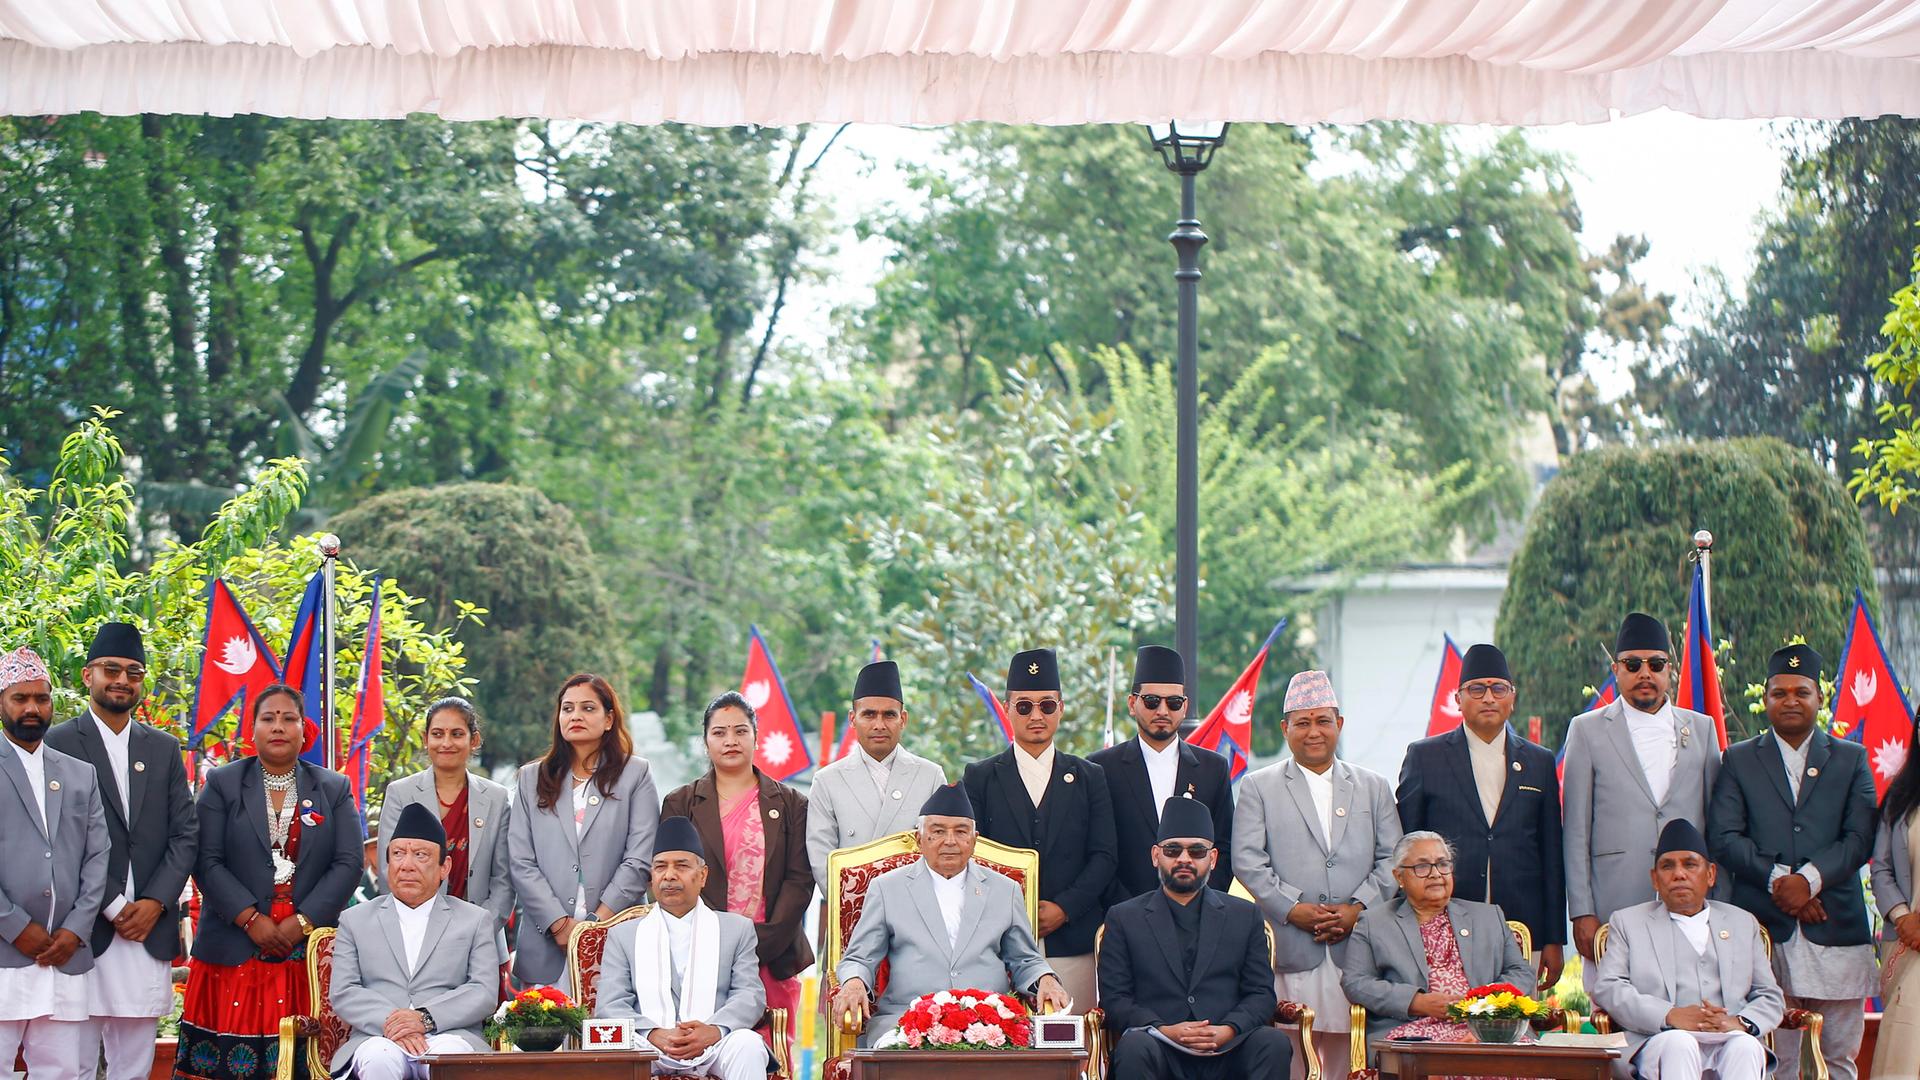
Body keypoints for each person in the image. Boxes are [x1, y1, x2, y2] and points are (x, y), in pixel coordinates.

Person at [1707, 643, 1877, 1080]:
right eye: (1779, 692)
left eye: (1800, 692)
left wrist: (1810, 881)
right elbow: (1724, 837)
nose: (1790, 701)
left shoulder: (1851, 758)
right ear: (1765, 699)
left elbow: (1860, 837)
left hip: (1836, 923)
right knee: (1771, 1060)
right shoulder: (1739, 759)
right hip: (1765, 928)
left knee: (1838, 1058)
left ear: (1819, 697)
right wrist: (1783, 882)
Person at [179, 683, 363, 1078]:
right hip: (233, 945)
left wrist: (302, 922)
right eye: (268, 718)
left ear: (303, 729)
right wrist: (249, 917)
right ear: (253, 729)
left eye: (288, 718)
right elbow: (206, 860)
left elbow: (349, 862)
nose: (278, 726)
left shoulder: (333, 788)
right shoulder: (222, 784)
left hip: (305, 952)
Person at [44, 623, 198, 1080]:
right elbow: (58, 838)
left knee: (134, 1061)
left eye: (133, 672)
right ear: (87, 674)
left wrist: (154, 902)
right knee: (74, 1059)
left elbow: (185, 833)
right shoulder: (58, 742)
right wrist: (114, 905)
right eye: (111, 669)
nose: (122, 680)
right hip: (86, 924)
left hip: (147, 927)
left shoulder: (164, 748)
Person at [1234, 669, 1400, 1077]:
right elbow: (1247, 860)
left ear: (1339, 725)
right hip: (1292, 941)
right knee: (1290, 1049)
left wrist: (1356, 908)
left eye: (1323, 721)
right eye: (1302, 722)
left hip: (1358, 940)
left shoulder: (1373, 786)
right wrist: (1294, 909)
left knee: (1351, 1052)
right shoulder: (1259, 786)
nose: (1314, 732)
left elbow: (1394, 858)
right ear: (1285, 728)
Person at [830, 784, 1071, 1045]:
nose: (950, 841)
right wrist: (853, 982)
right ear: (919, 838)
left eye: (960, 832)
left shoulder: (1005, 889)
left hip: (988, 1023)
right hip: (906, 1020)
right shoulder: (887, 888)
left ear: (974, 840)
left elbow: (1025, 959)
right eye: (938, 832)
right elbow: (860, 956)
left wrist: (1045, 979)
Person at [1396, 642, 1565, 991]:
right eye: (1477, 689)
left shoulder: (1538, 760)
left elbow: (1552, 854)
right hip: (1441, 917)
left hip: (1523, 922)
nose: (1489, 697)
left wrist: (1553, 938)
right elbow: (1405, 842)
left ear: (1512, 697)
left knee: (1514, 1026)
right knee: (1452, 1020)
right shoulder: (1426, 756)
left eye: (1498, 688)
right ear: (1458, 699)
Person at [963, 647, 1118, 1012]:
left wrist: (1065, 908)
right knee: (1002, 1048)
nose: (1036, 715)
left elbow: (1104, 855)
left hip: (1071, 940)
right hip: (998, 942)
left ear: (1061, 709)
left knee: (1069, 1044)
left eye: (1047, 706)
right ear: (1007, 709)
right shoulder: (981, 777)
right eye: (1024, 706)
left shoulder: (1088, 776)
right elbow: (975, 855)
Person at [1563, 612, 1723, 963]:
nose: (1645, 674)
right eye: (1633, 664)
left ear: (1670, 669)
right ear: (1616, 669)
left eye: (1656, 663)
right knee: (1616, 1009)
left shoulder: (1701, 729)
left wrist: (1720, 900)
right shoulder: (1587, 730)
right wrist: (1581, 910)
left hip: (1691, 901)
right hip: (1615, 901)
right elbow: (1575, 830)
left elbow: (1716, 825)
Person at [1097, 796, 1290, 1079]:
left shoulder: (1244, 914)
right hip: (1159, 1045)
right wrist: (1164, 1029)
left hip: (1228, 1048)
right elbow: (1115, 999)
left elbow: (1260, 993)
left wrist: (1228, 1030)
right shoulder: (1124, 917)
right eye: (1173, 850)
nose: (1184, 859)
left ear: (1212, 859)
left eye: (1197, 851)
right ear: (1155, 855)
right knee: (1134, 1045)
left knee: (1272, 1043)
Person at [660, 692, 813, 1047]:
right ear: (706, 741)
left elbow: (799, 880)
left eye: (740, 731)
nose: (730, 741)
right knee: (699, 1053)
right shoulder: (680, 803)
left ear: (756, 737)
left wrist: (760, 944)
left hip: (772, 953)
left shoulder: (791, 804)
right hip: (698, 955)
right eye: (719, 732)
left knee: (768, 1055)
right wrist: (715, 945)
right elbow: (670, 880)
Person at [1590, 819, 1783, 1080]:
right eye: (1667, 866)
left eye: (1690, 864)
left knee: (1746, 1045)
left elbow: (1769, 995)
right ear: (1655, 879)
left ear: (1711, 874)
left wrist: (1739, 1023)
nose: (1679, 874)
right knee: (1679, 1044)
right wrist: (1670, 1015)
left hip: (1726, 1037)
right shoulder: (1628, 922)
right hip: (1658, 1039)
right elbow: (1609, 986)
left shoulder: (1741, 922)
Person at [0, 646, 111, 1080]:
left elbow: (98, 857)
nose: (32, 708)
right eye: (20, 698)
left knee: (62, 1071)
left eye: (41, 698)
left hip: (65, 955)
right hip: (5, 952)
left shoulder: (79, 772)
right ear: (2, 702)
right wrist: (14, 926)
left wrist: (75, 929)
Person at [507, 672, 658, 987]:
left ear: (608, 719)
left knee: (615, 1033)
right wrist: (560, 925)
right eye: (567, 708)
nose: (575, 715)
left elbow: (639, 858)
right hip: (545, 942)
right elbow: (521, 861)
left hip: (617, 935)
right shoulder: (531, 779)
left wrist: (594, 927)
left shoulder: (635, 774)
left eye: (588, 708)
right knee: (546, 1031)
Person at [329, 803, 499, 1078]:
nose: (406, 865)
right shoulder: (355, 920)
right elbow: (344, 990)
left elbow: (483, 991)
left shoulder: (474, 919)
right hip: (379, 1035)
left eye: (420, 855)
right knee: (378, 1058)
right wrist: (395, 1023)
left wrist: (424, 1018)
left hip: (448, 1033)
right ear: (387, 864)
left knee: (449, 1058)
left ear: (445, 867)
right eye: (398, 854)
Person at [599, 817, 771, 1079]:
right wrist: (655, 1034)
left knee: (747, 1045)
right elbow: (610, 1004)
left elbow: (749, 995)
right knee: (614, 1053)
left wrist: (713, 1031)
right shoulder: (623, 935)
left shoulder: (737, 930)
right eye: (660, 867)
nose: (669, 875)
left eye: (681, 866)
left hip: (715, 1043)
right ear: (651, 877)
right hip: (648, 1045)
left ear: (702, 876)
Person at [1340, 832, 1537, 1061]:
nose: (1435, 874)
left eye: (1442, 864)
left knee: (1514, 1066)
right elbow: (1355, 982)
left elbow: (1521, 972)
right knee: (1452, 1066)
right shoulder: (1374, 922)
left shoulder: (1489, 916)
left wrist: (1486, 1009)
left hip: (1489, 1031)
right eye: (1422, 867)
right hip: (1414, 1033)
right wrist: (1416, 1002)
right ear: (1399, 877)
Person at [1089, 645, 1234, 903]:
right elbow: (1097, 852)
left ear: (1185, 706)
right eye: (1152, 701)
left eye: (1174, 702)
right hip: (1121, 919)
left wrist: (1199, 906)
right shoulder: (1101, 768)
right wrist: (1128, 913)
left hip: (1198, 917)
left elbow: (1224, 849)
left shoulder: (1213, 768)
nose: (1163, 711)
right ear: (1133, 704)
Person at [376, 697, 512, 950]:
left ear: (474, 740)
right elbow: (389, 871)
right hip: (412, 939)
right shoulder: (401, 793)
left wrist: (476, 932)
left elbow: (503, 880)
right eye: (438, 734)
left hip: (481, 940)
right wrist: (418, 928)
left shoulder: (496, 797)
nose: (446, 743)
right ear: (425, 738)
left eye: (457, 734)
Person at [805, 660, 946, 891]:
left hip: (917, 914)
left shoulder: (930, 776)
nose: (879, 724)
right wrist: (858, 907)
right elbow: (823, 863)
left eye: (889, 715)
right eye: (869, 714)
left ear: (903, 719)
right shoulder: (827, 781)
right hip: (851, 915)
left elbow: (942, 853)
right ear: (853, 719)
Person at [1870, 705, 1920, 1078]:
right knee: (1904, 1047)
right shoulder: (1901, 797)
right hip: (1909, 942)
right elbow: (1881, 868)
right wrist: (1904, 919)